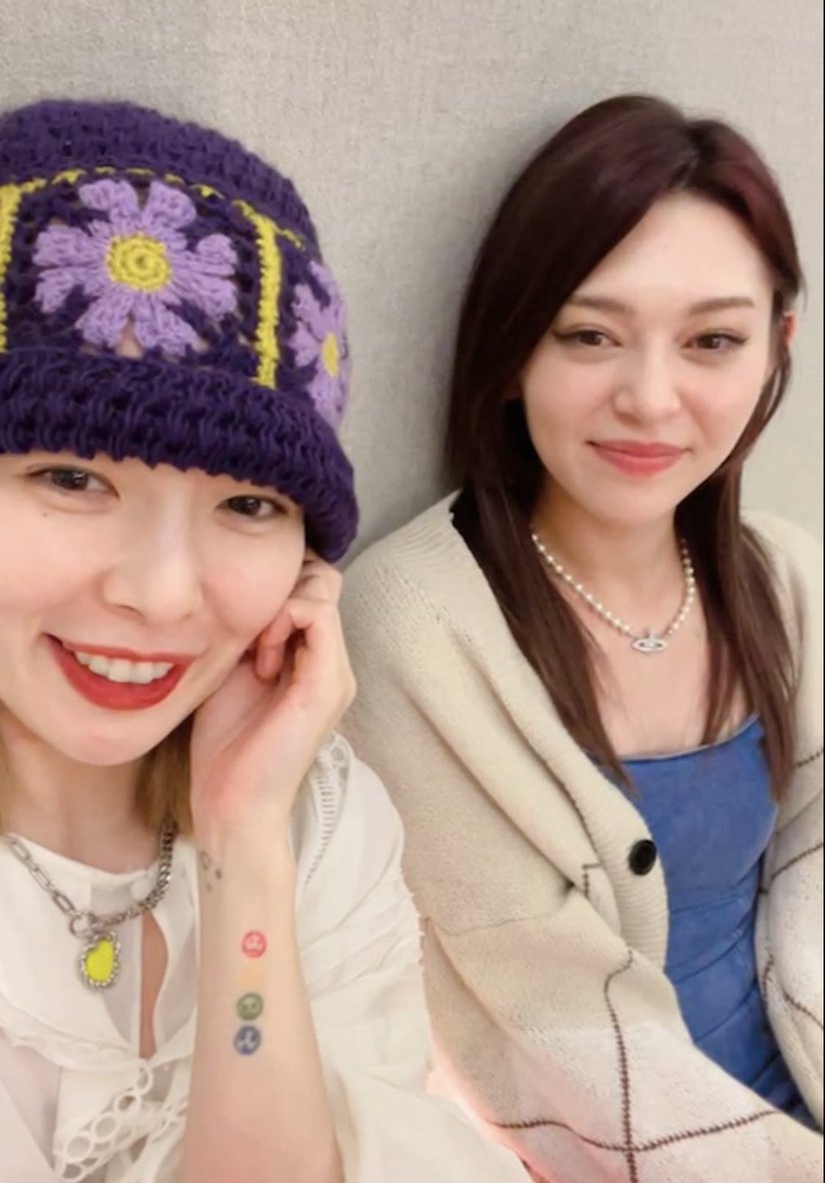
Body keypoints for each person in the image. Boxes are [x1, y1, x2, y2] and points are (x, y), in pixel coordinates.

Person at [0, 98, 529, 1183]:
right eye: (71, 477)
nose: (161, 594)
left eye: (246, 505)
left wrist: (243, 844)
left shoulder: (313, 814)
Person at [341, 94, 824, 1182]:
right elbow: (543, 1024)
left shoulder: (784, 577)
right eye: (589, 335)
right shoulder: (416, 626)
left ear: (775, 350)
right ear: (514, 349)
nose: (649, 399)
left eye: (712, 341)